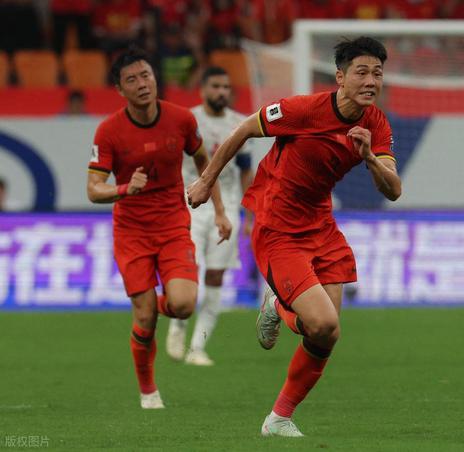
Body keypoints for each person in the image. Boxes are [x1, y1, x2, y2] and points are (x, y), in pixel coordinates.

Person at [187, 36, 401, 436]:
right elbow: (243, 129)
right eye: (362, 72)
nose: (371, 81)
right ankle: (277, 306)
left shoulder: (375, 123)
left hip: (321, 225)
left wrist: (370, 157)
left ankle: (278, 418)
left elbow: (393, 190)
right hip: (278, 225)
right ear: (340, 77)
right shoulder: (302, 110)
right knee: (323, 323)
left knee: (326, 332)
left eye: (378, 73)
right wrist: (205, 181)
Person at [86, 46, 231, 409]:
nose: (142, 84)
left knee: (183, 305)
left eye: (146, 75)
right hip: (131, 233)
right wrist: (124, 189)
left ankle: (148, 307)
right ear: (120, 89)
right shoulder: (108, 131)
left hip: (172, 226)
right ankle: (148, 391)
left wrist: (219, 209)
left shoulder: (181, 119)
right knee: (146, 318)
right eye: (131, 80)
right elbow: (93, 189)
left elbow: (204, 162)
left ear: (154, 78)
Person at [166, 66, 254, 366]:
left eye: (226, 87)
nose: (222, 92)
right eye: (216, 86)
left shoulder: (240, 124)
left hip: (227, 207)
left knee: (215, 276)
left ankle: (198, 348)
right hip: (190, 203)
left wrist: (249, 215)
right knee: (189, 270)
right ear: (203, 89)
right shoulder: (187, 121)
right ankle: (177, 326)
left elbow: (245, 171)